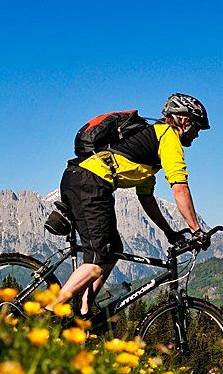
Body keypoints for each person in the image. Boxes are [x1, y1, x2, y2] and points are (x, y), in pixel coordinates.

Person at [52, 93, 211, 316]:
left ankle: (84, 311)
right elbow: (180, 187)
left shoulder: (151, 147)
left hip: (81, 179)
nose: (197, 134)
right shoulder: (168, 137)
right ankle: (49, 311)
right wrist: (196, 230)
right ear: (184, 121)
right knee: (99, 259)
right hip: (90, 183)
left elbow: (146, 198)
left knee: (113, 250)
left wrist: (169, 232)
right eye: (197, 127)